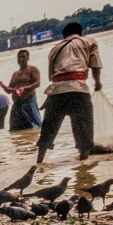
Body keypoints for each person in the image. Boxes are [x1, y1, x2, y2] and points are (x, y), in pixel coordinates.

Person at [38, 22, 102, 163]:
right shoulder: (89, 42)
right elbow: (95, 65)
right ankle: (83, 163)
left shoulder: (55, 49)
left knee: (48, 129)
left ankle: (39, 162)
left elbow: (51, 77)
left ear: (64, 35)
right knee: (83, 127)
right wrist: (97, 83)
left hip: (56, 93)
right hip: (78, 89)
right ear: (80, 32)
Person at [6, 48, 42, 132]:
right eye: (19, 57)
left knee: (35, 126)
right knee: (14, 130)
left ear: (28, 58)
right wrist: (1, 85)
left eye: (23, 57)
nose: (21, 59)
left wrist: (25, 88)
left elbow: (37, 83)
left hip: (29, 102)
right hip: (17, 104)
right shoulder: (15, 74)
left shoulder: (32, 69)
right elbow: (9, 90)